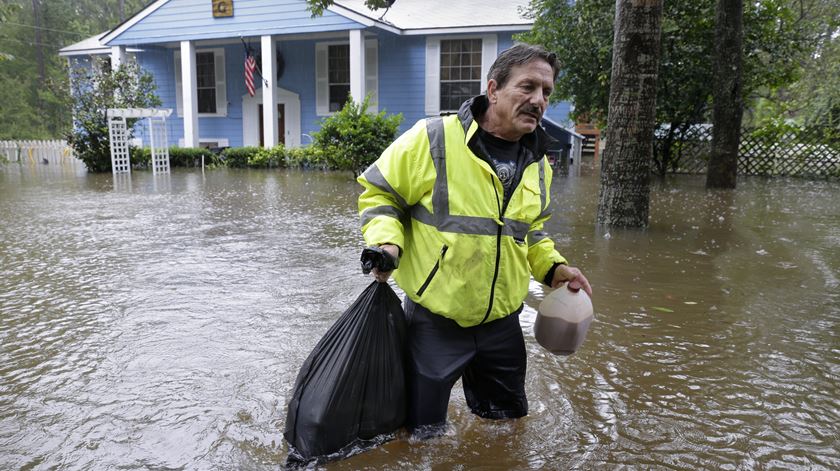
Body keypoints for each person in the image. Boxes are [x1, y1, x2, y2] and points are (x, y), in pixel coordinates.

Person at [356, 44, 592, 436]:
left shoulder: (538, 163)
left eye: (547, 92)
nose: (538, 101)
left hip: (502, 324)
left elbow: (529, 233)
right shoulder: (432, 139)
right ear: (494, 88)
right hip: (435, 322)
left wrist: (554, 268)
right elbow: (380, 195)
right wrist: (387, 244)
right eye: (528, 87)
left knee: (504, 432)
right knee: (422, 435)